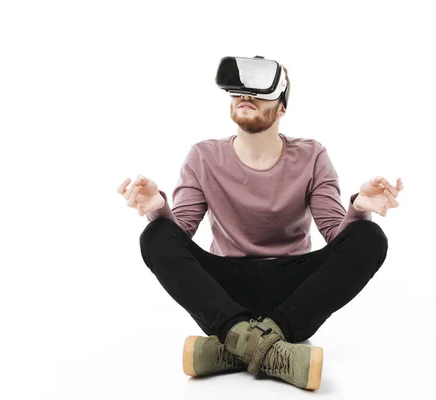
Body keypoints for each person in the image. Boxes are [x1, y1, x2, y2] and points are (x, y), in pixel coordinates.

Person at [117, 62, 404, 391]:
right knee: (155, 235)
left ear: (281, 107)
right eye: (238, 92)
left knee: (370, 237)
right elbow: (178, 235)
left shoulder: (312, 156)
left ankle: (234, 348)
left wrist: (359, 209)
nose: (245, 97)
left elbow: (336, 235)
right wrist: (158, 209)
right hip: (224, 291)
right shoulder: (203, 157)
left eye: (256, 92)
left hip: (295, 292)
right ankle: (266, 347)